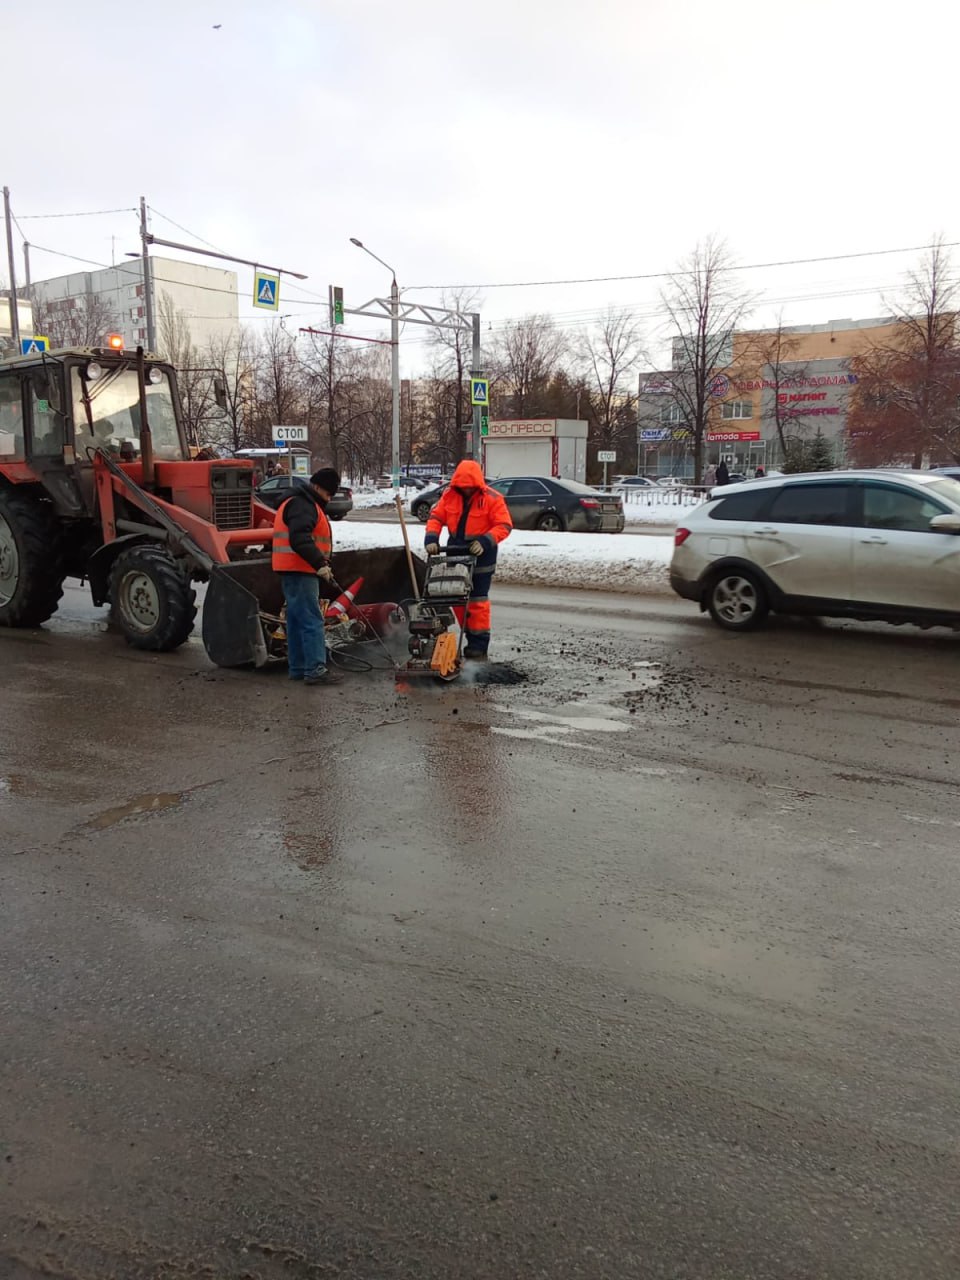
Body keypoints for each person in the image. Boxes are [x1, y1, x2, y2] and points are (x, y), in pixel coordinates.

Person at [424, 459, 513, 659]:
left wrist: (485, 541)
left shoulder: (492, 498)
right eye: (463, 487)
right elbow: (436, 517)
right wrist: (431, 538)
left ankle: (478, 644)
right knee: (455, 595)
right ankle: (463, 632)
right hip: (456, 549)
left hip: (482, 554)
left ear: (477, 484)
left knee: (477, 601)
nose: (466, 491)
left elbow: (504, 525)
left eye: (470, 488)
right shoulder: (449, 496)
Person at [272, 467, 343, 686]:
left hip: (293, 569)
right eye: (328, 494)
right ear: (317, 487)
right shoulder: (302, 505)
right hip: (300, 570)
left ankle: (299, 667)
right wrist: (319, 564)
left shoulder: (300, 502)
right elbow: (300, 538)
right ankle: (315, 668)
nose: (329, 499)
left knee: (296, 620)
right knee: (312, 619)